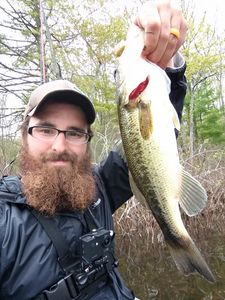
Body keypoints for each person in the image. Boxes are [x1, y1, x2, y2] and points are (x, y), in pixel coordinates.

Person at [0, 1, 187, 299]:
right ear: (24, 136)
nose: (59, 145)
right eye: (46, 129)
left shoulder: (97, 190)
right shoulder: (4, 219)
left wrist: (169, 65)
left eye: (74, 132)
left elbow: (155, 140)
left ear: (87, 140)